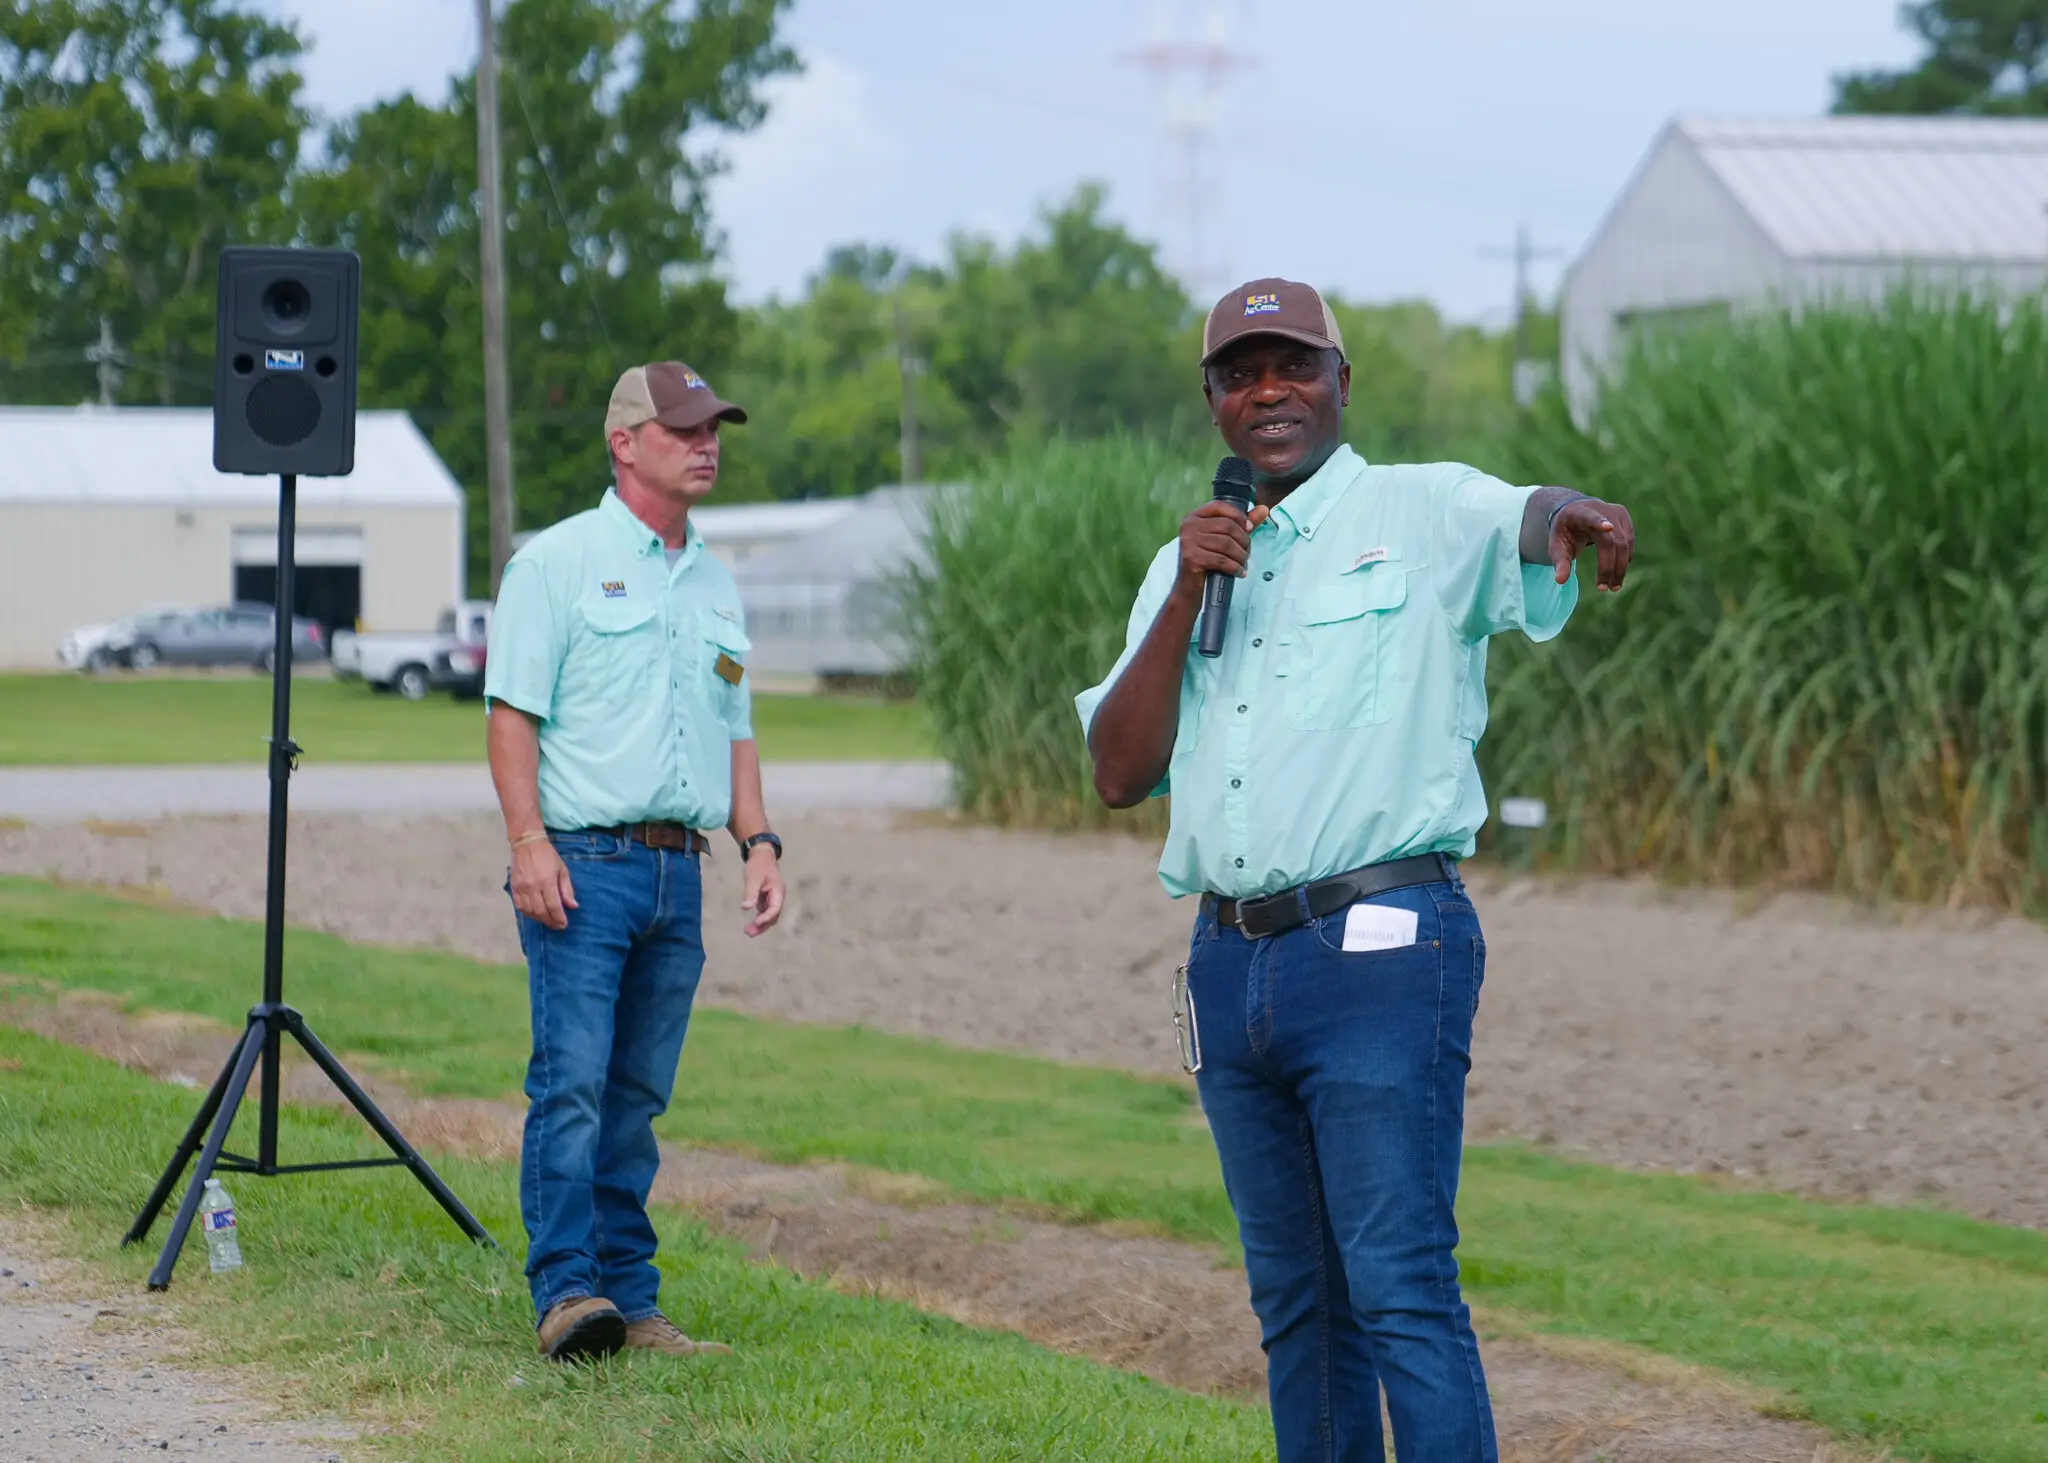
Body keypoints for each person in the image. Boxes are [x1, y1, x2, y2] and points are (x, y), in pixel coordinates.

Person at [1076, 279, 1635, 1462]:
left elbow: (1523, 517)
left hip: (1379, 950)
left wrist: (1572, 514)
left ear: (1340, 381)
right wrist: (1185, 589)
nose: (1267, 389)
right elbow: (1119, 771)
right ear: (1214, 400)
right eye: (1241, 372)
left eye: (1293, 365)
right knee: (1296, 1310)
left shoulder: (1417, 510)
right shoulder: (1187, 561)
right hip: (1228, 969)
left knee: (1398, 1292)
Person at [484, 360, 787, 1363]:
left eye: (714, 429)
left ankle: (632, 1298)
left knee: (637, 1096)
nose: (708, 444)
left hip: (677, 870)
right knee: (569, 1083)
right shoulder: (556, 563)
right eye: (687, 428)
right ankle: (566, 1291)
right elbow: (511, 716)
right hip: (581, 861)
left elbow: (732, 726)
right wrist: (527, 842)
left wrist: (758, 840)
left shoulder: (715, 580)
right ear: (625, 442)